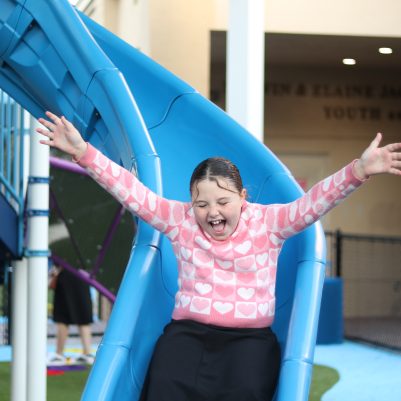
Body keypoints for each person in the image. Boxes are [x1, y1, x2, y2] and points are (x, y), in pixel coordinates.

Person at [37, 111, 401, 400]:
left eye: (223, 201)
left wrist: (358, 171)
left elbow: (313, 203)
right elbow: (131, 191)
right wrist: (84, 153)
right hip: (189, 334)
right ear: (191, 202)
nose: (212, 212)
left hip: (249, 341)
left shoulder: (269, 222)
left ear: (243, 197)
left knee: (245, 388)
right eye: (202, 203)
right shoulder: (179, 219)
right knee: (165, 380)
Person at [48, 262, 95, 366]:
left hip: (68, 274)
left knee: (63, 318)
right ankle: (87, 353)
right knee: (82, 317)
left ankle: (59, 354)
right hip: (82, 275)